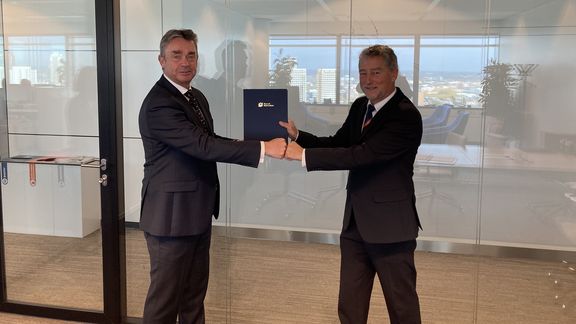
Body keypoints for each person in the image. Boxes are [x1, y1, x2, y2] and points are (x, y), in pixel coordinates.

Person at [138, 29, 286, 323]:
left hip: (196, 212)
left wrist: (260, 144)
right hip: (170, 218)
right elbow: (202, 146)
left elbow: (208, 138)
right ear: (161, 60)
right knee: (164, 304)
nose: (185, 62)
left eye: (191, 55)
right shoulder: (159, 104)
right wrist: (261, 148)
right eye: (177, 55)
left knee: (193, 297)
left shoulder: (195, 96)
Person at [281, 45, 422, 324]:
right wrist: (300, 137)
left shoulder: (405, 116)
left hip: (391, 227)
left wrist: (305, 156)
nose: (368, 80)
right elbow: (339, 143)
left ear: (393, 73)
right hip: (356, 223)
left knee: (401, 307)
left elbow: (362, 155)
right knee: (350, 305)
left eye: (376, 73)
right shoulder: (361, 107)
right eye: (363, 73)